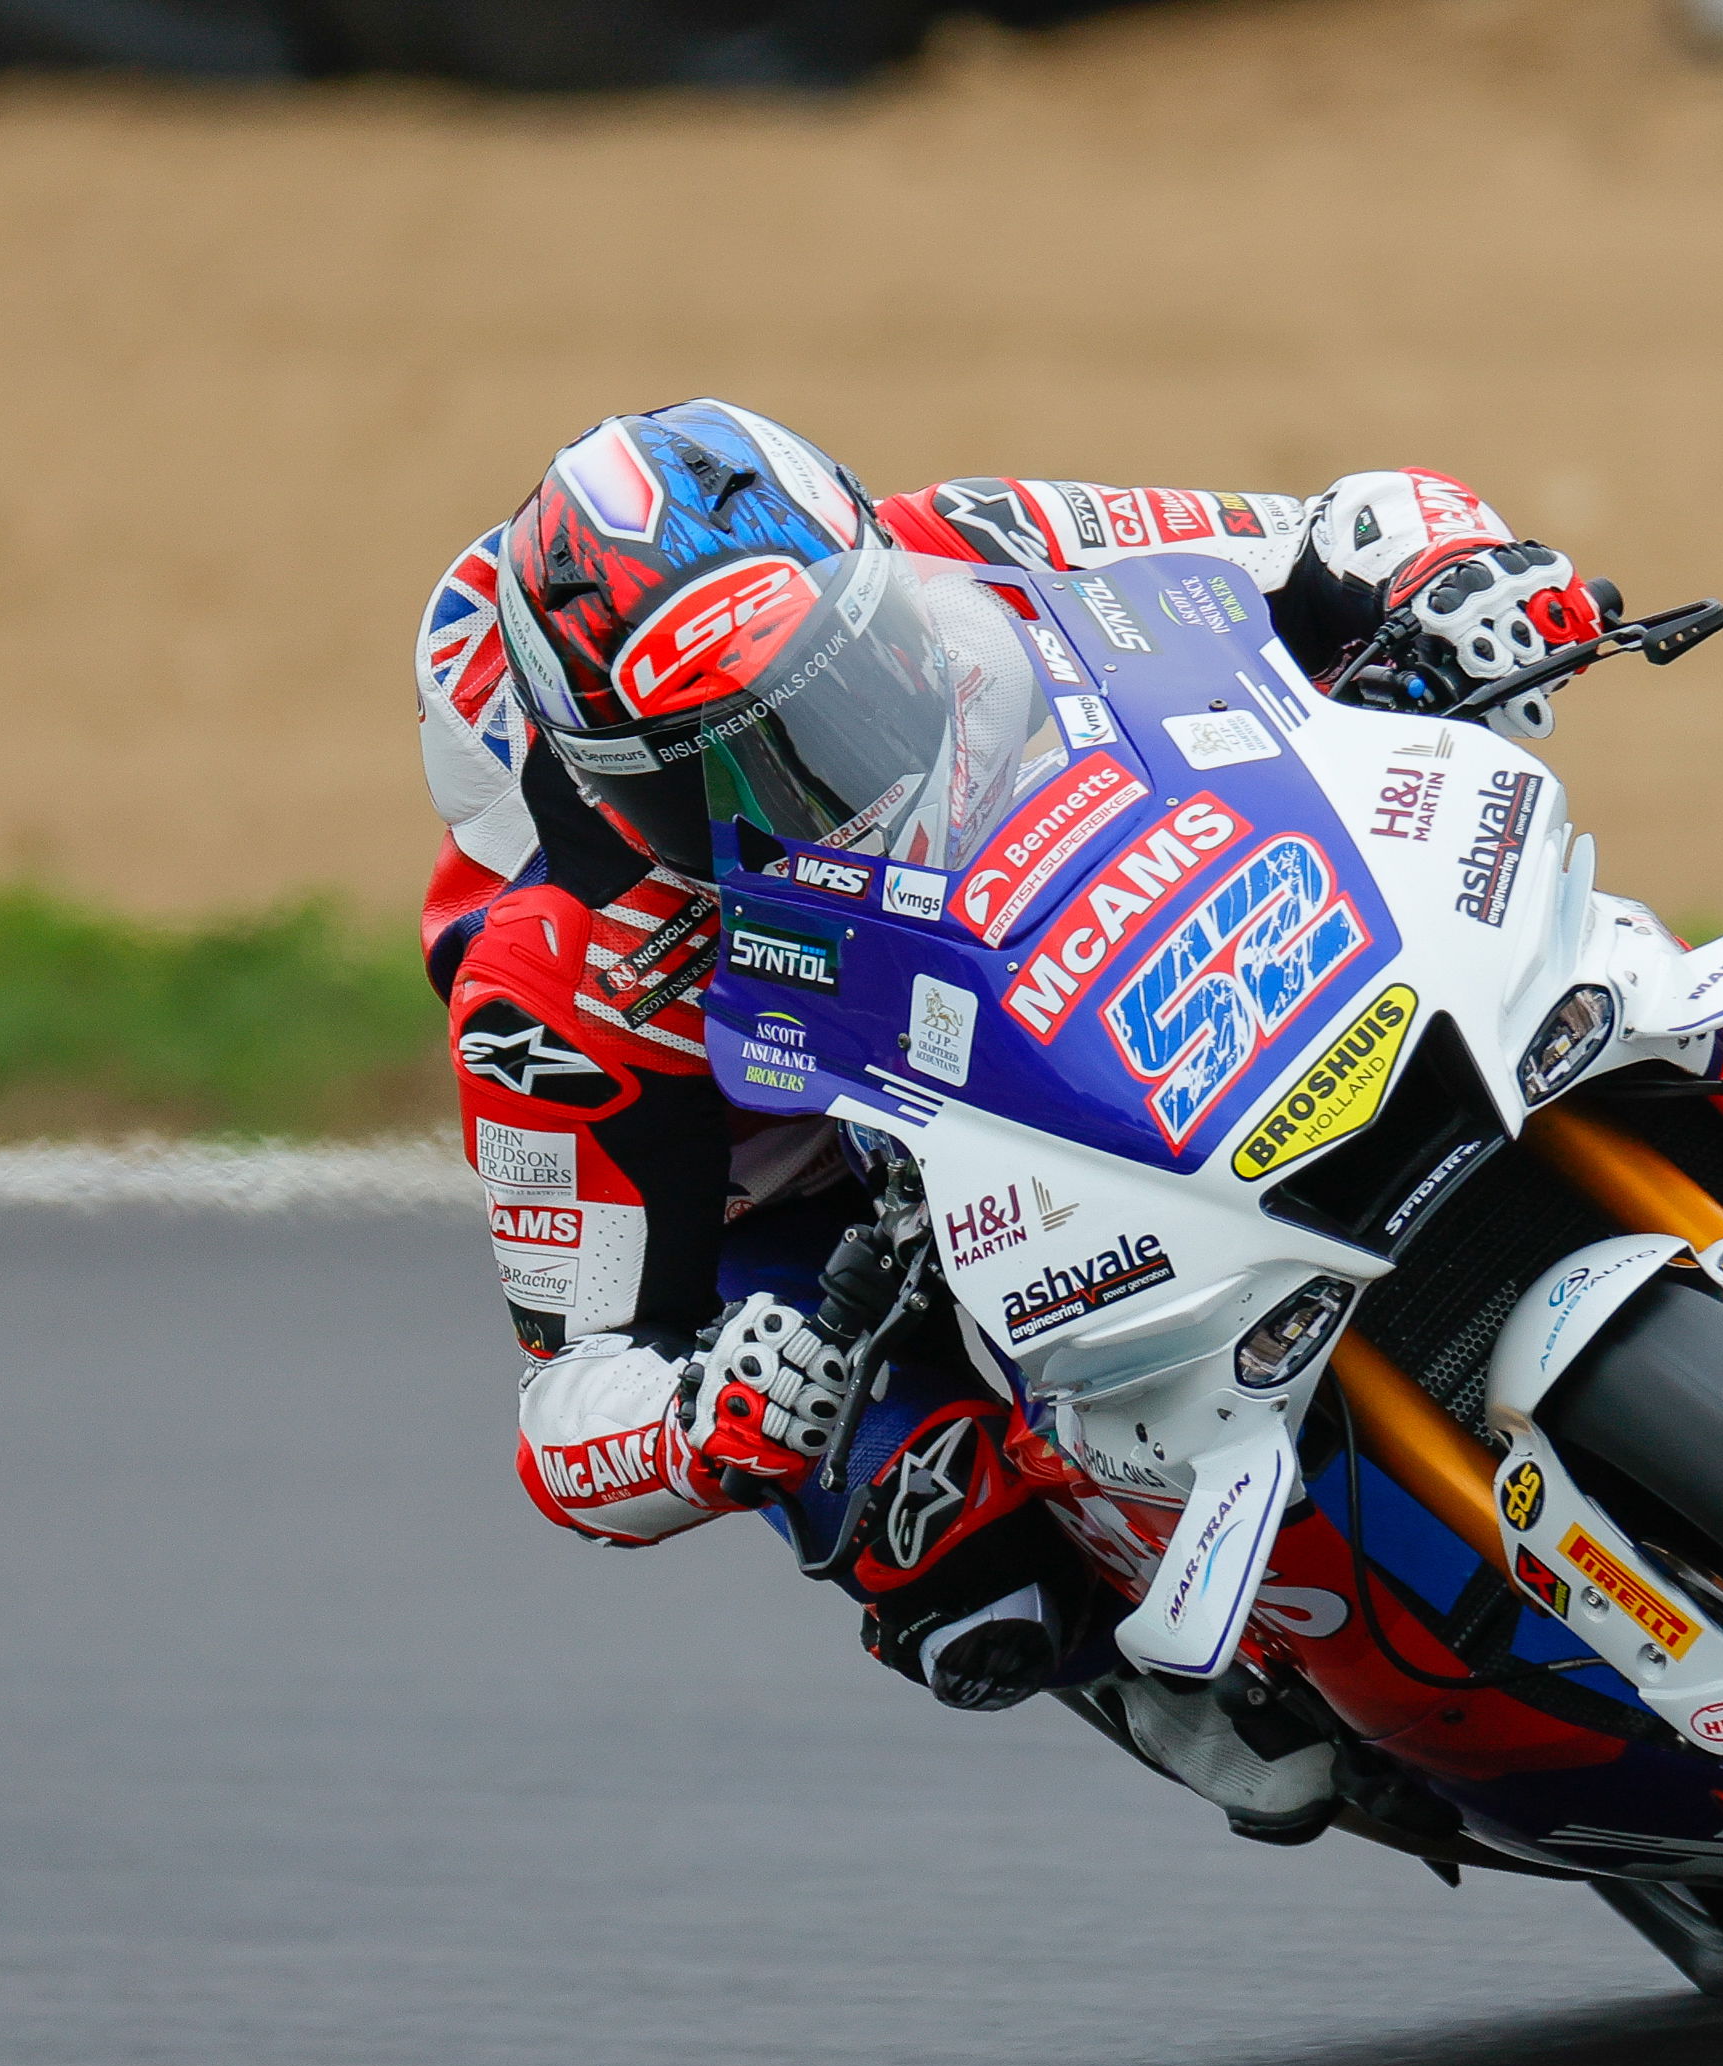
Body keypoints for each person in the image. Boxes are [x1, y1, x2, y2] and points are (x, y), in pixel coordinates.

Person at [411, 398, 1606, 1835]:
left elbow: (1310, 539)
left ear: (871, 583)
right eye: (705, 774)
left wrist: (1450, 575)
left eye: (826, 693)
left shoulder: (967, 536)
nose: (798, 777)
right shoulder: (547, 982)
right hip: (829, 1201)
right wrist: (699, 1420)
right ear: (592, 790)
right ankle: (1169, 1671)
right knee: (952, 1567)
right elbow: (563, 1403)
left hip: (1120, 943)